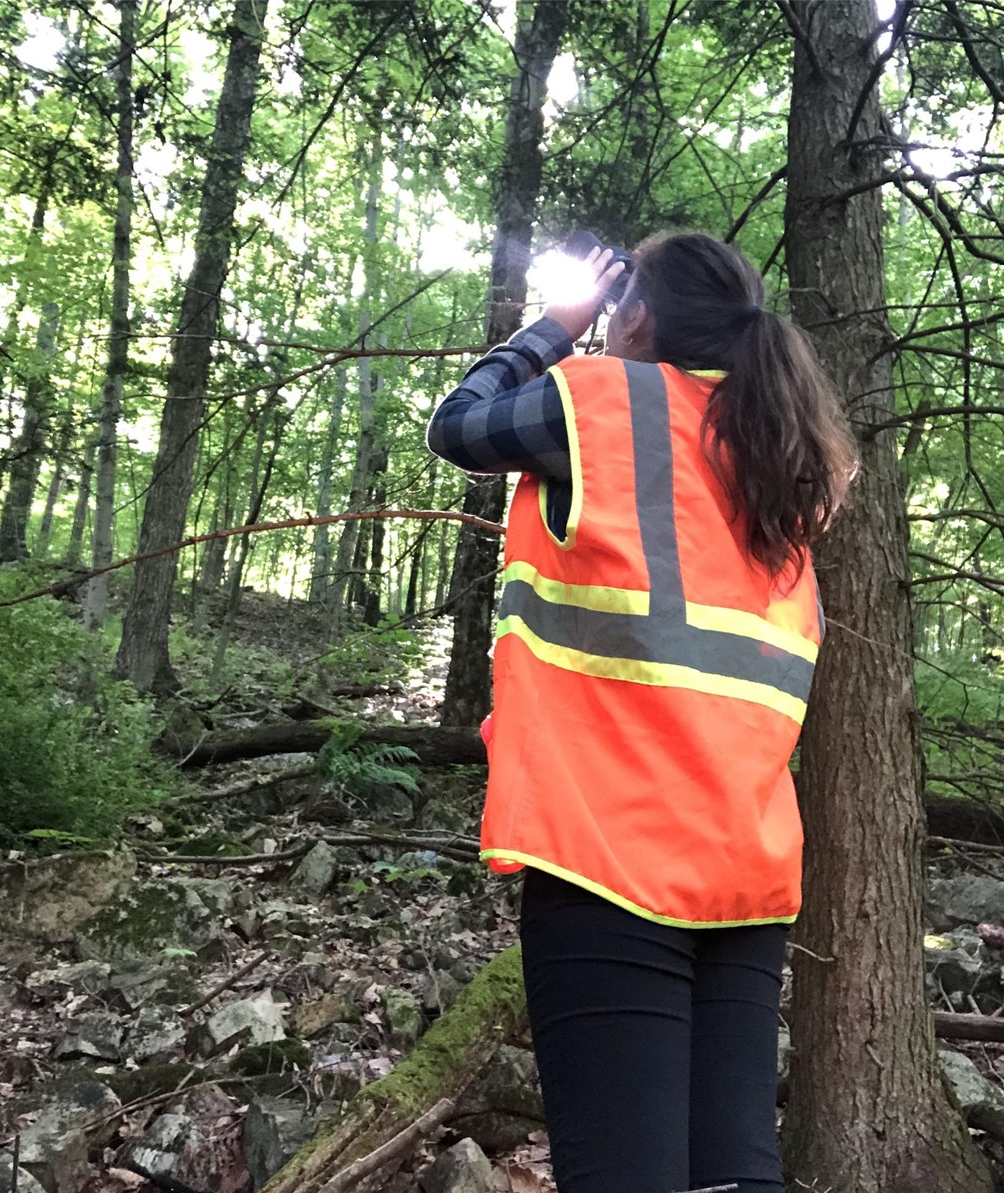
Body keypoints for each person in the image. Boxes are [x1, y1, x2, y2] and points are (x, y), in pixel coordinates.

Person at [426, 232, 856, 1193]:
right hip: (744, 873)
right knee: (732, 1175)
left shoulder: (607, 406)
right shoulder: (781, 464)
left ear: (639, 315)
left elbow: (458, 426)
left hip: (607, 855)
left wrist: (560, 322)